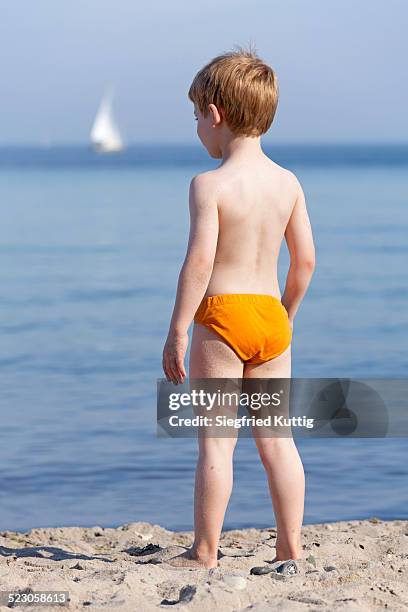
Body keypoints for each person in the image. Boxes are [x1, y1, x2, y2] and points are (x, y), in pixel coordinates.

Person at [162, 46, 315, 569]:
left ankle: (205, 552)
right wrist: (285, 316)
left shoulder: (209, 186)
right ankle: (290, 548)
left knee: (217, 445)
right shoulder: (288, 183)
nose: (197, 127)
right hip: (271, 315)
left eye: (196, 115)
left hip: (223, 317)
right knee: (279, 442)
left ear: (215, 115)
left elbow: (199, 263)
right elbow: (306, 263)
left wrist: (179, 329)